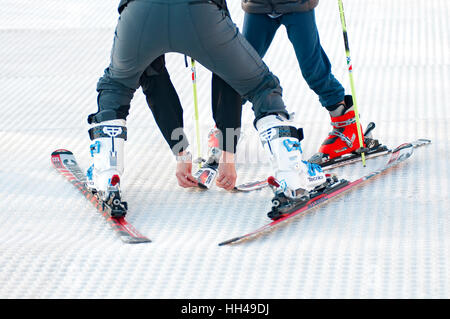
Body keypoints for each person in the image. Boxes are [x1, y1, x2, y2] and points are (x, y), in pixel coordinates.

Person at [85, 0, 327, 216]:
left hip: (139, 12)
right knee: (261, 86)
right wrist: (227, 156)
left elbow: (154, 81)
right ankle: (290, 174)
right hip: (200, 11)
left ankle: (106, 176)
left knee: (116, 87)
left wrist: (181, 154)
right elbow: (228, 79)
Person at [210, 0, 366, 166]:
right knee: (240, 70)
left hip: (297, 5)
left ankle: (347, 127)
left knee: (313, 69)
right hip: (258, 5)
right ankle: (224, 128)